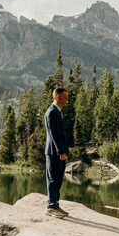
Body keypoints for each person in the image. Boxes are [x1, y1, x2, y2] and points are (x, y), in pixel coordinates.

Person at [44, 87, 70, 218]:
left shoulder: (57, 112)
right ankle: (50, 206)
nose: (67, 100)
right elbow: (53, 134)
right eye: (65, 97)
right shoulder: (52, 112)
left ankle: (56, 204)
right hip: (53, 152)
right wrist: (60, 151)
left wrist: (64, 150)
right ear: (58, 97)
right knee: (53, 178)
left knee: (58, 179)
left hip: (59, 151)